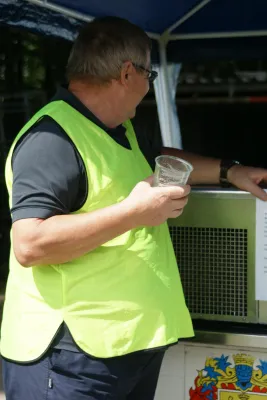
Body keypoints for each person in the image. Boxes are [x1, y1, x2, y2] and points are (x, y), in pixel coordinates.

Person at [1, 16, 267, 400]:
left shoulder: (117, 129)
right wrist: (135, 212)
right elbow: (30, 244)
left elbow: (156, 158)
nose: (148, 87)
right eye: (150, 75)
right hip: (71, 357)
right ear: (128, 73)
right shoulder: (52, 139)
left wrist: (230, 172)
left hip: (125, 347)